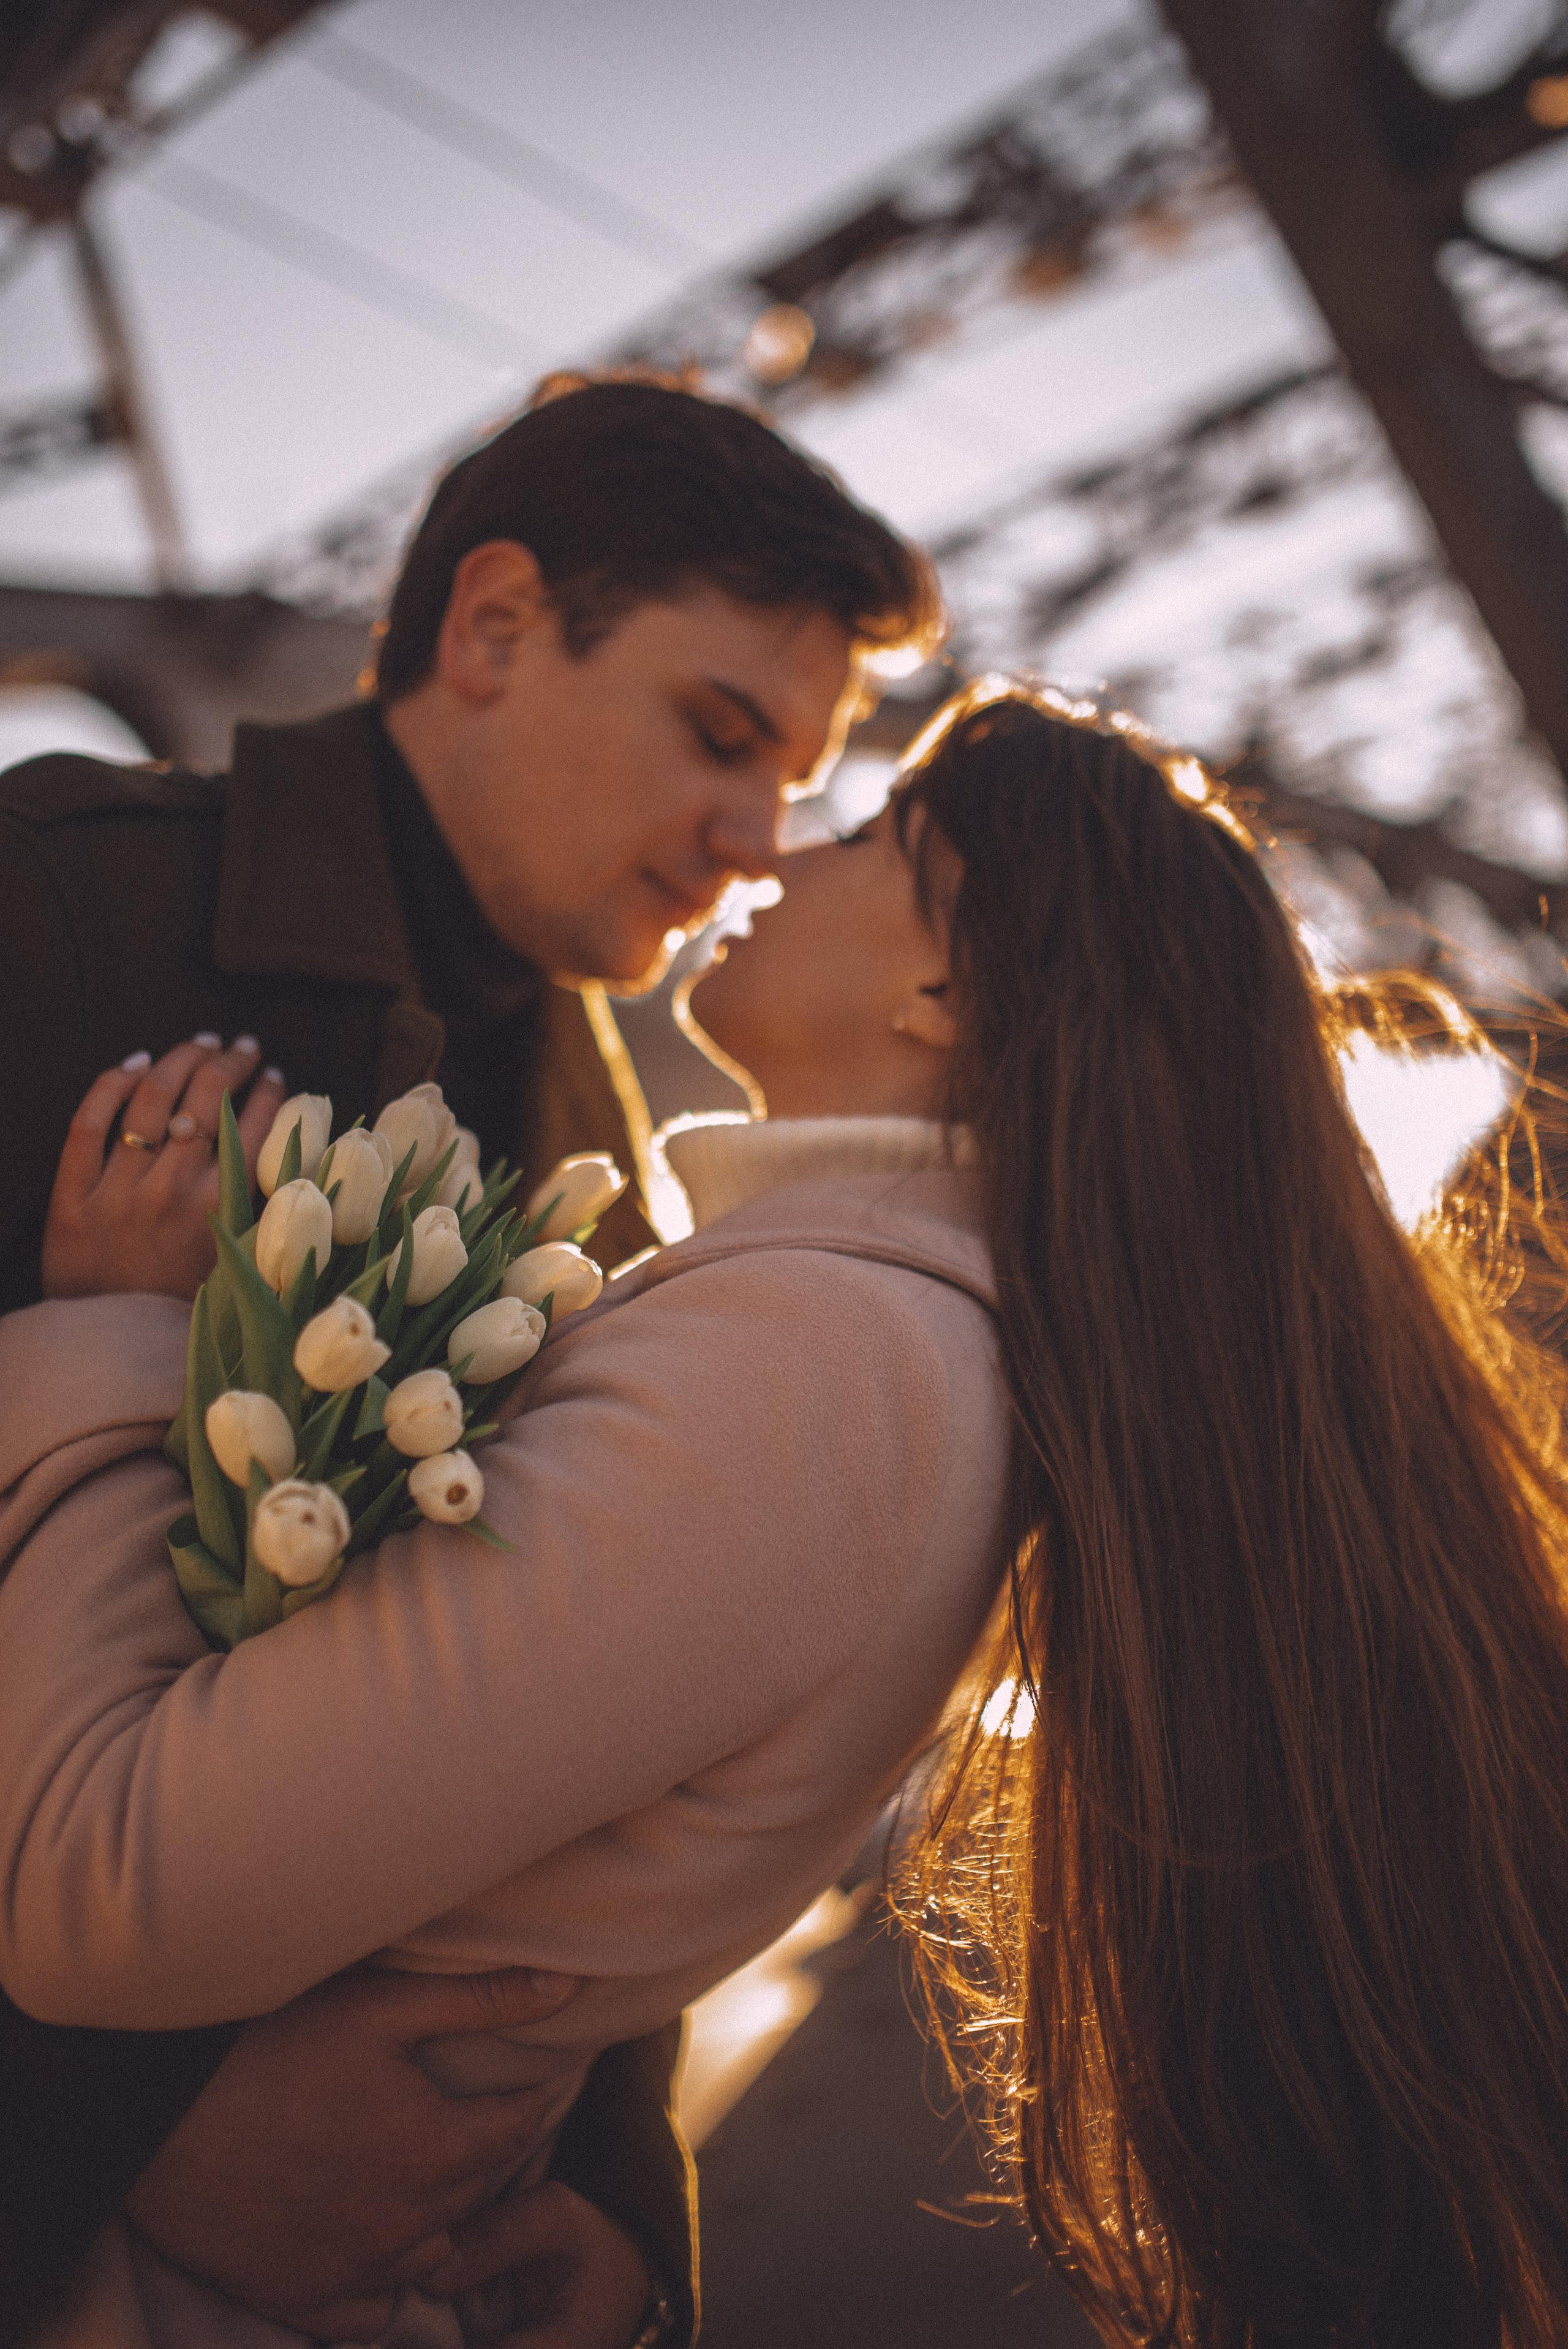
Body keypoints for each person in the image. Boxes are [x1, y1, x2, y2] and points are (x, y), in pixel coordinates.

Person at [11, 679, 1562, 2347]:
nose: (784, 844)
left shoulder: (833, 1366)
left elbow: (107, 1889)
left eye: (883, 832)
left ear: (945, 988)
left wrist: (114, 1331)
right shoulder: (861, 1341)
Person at [0, 373, 938, 2345]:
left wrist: (611, 2221)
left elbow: (584, 1779)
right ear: (496, 625)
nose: (752, 843)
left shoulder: (606, 1207)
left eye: (797, 784)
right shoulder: (57, 906)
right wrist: (115, 2119)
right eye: (720, 732)